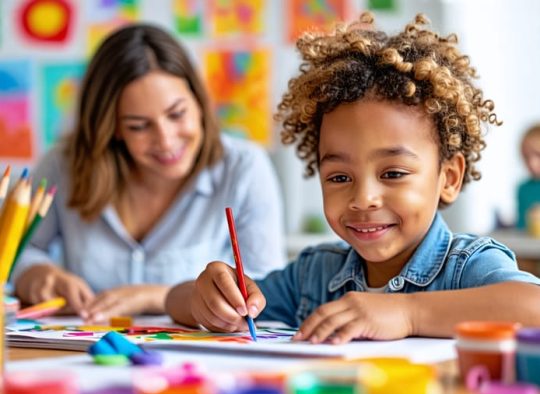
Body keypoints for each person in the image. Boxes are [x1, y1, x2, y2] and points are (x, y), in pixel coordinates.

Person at [166, 12, 540, 343]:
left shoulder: (467, 267)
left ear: (450, 177)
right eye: (340, 177)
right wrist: (207, 297)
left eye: (393, 173)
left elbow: (533, 306)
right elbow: (177, 302)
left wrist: (407, 313)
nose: (364, 199)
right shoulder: (313, 275)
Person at [12, 24, 286, 323]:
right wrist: (36, 273)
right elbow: (15, 252)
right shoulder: (63, 166)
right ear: (112, 127)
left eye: (177, 114)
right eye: (138, 126)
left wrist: (154, 296)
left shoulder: (244, 168)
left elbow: (267, 288)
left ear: (200, 102)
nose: (166, 141)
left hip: (194, 362)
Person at [516, 124, 540, 230]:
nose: (532, 163)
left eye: (538, 154)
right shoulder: (523, 189)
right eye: (526, 157)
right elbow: (521, 226)